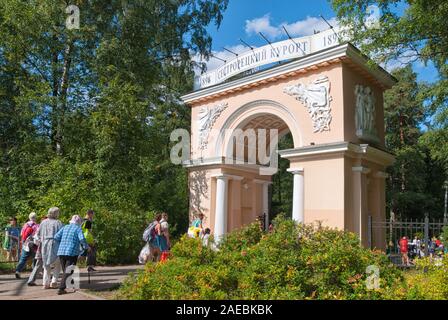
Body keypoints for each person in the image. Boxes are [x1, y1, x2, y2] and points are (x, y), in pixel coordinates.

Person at [54, 215, 89, 295]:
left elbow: (56, 237)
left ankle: (72, 284)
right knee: (68, 271)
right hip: (72, 252)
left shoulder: (65, 227)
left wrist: (63, 242)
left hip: (61, 252)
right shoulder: (78, 228)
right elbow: (82, 239)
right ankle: (61, 289)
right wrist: (86, 247)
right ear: (79, 222)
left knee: (67, 271)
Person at [36, 207, 63, 289]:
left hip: (45, 244)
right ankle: (54, 281)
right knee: (57, 263)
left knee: (46, 264)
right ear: (55, 213)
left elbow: (38, 234)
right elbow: (62, 234)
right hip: (55, 243)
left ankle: (45, 283)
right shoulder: (58, 223)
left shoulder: (43, 222)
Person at [15, 212, 39, 279]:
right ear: (35, 217)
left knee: (23, 258)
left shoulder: (25, 225)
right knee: (35, 258)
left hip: (25, 244)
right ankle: (34, 273)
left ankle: (18, 271)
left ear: (29, 217)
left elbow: (22, 234)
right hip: (34, 244)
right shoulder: (36, 225)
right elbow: (37, 235)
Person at [27, 217, 46, 286]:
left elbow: (36, 239)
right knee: (42, 265)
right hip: (44, 249)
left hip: (42, 249)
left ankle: (32, 280)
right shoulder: (40, 228)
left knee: (40, 265)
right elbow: (36, 239)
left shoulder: (39, 228)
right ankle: (49, 280)